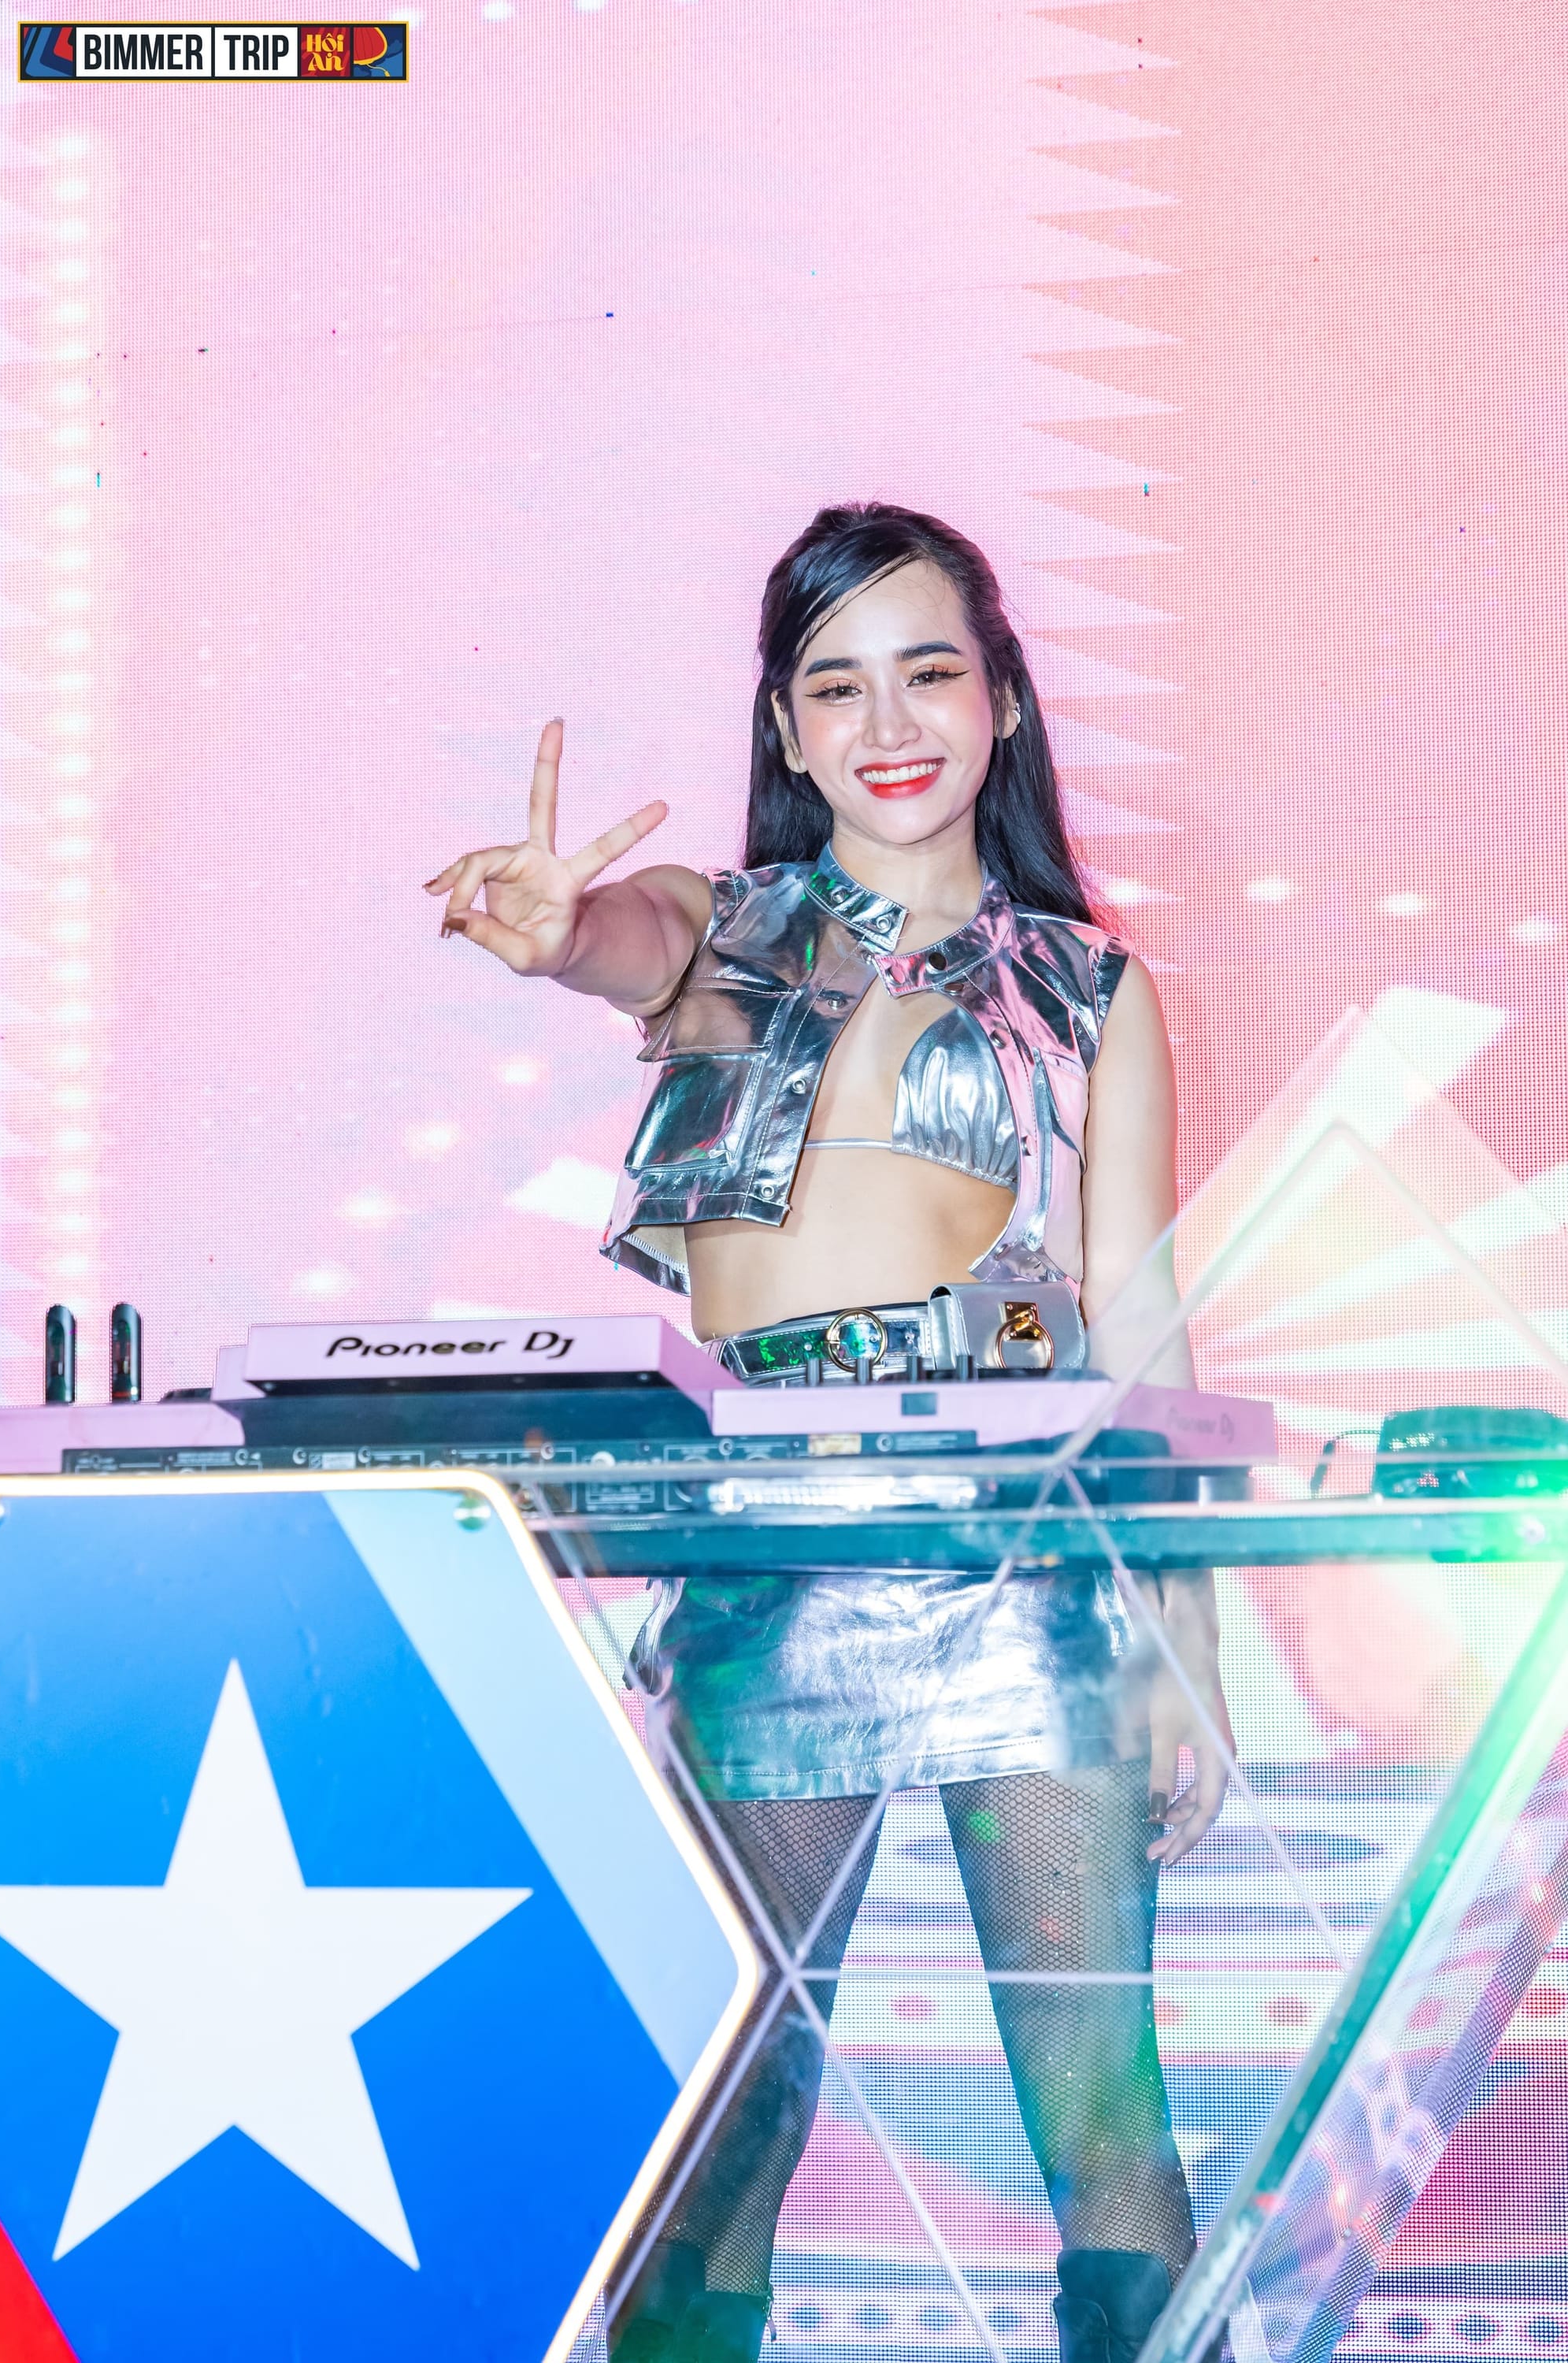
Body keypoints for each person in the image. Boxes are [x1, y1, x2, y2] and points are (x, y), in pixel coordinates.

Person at [425, 503, 1234, 2363]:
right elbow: (623, 942)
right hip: (772, 1561)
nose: (888, 721)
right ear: (786, 732)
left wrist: (1182, 1641)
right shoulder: (734, 938)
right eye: (836, 685)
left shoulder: (1092, 989)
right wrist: (557, 933)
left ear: (1002, 700)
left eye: (928, 671)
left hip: (1028, 1566)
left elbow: (1141, 1319)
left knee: (1105, 2125)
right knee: (725, 2125)